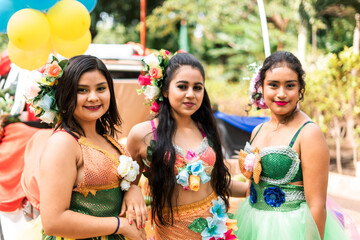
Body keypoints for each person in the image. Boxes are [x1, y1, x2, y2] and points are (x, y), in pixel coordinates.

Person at [127, 52, 245, 240]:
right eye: (182, 86)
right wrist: (132, 190)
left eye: (197, 88)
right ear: (165, 90)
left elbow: (216, 182)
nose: (190, 94)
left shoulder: (208, 129)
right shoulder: (142, 135)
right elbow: (127, 186)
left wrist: (250, 189)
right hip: (171, 232)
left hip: (214, 228)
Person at [234, 51, 351, 239]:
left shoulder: (308, 133)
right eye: (273, 85)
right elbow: (251, 187)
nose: (281, 94)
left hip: (290, 229)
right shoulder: (257, 130)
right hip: (253, 225)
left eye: (290, 86)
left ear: (300, 90)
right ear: (261, 87)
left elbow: (317, 206)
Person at [36, 55, 147, 240]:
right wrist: (121, 225)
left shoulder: (106, 138)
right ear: (66, 94)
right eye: (82, 90)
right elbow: (53, 221)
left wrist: (132, 190)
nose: (93, 97)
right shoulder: (63, 144)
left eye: (101, 88)